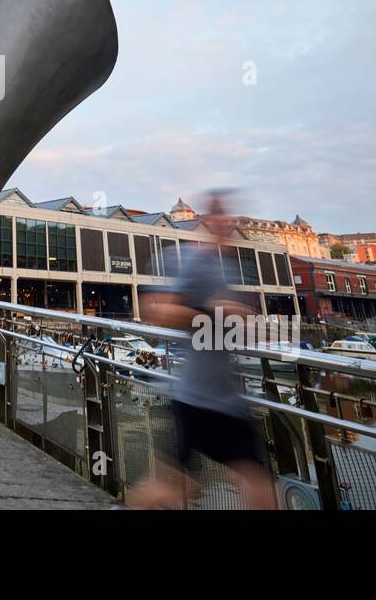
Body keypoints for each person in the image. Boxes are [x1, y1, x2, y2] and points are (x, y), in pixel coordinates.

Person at [128, 190, 275, 510]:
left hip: (226, 397)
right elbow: (155, 308)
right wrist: (214, 312)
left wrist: (246, 322)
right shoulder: (194, 261)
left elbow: (231, 325)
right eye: (218, 213)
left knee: (255, 487)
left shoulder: (233, 268)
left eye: (229, 214)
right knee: (176, 484)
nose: (226, 221)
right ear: (205, 220)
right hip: (198, 397)